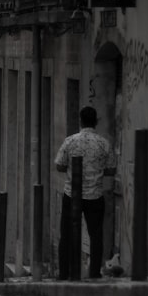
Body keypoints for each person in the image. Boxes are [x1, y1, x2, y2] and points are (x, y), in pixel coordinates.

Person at [55, 106, 116, 279]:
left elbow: (59, 165)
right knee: (96, 235)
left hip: (71, 195)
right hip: (95, 195)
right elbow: (111, 170)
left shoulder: (70, 141)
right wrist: (95, 171)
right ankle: (94, 273)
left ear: (80, 121)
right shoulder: (103, 143)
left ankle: (64, 274)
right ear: (95, 122)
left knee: (66, 234)